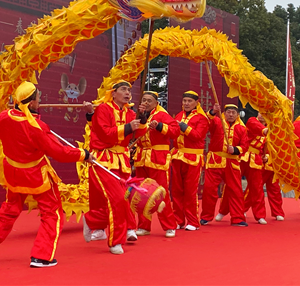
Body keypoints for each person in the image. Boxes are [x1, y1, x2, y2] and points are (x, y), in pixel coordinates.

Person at [0, 81, 93, 268]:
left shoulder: (3, 117)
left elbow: (20, 125)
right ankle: (42, 256)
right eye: (38, 98)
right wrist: (84, 154)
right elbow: (59, 153)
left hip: (14, 172)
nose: (40, 101)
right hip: (36, 175)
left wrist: (35, 117)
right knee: (52, 213)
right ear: (31, 103)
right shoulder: (37, 128)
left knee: (10, 207)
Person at [83, 81, 147, 255]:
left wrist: (143, 118)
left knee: (123, 199)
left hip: (122, 161)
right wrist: (128, 127)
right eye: (123, 90)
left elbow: (139, 133)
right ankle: (116, 241)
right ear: (114, 93)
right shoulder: (103, 109)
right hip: (102, 160)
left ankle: (91, 220)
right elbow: (104, 134)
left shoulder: (130, 112)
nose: (127, 93)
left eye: (129, 90)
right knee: (117, 199)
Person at [133, 91, 179, 238]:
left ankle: (169, 226)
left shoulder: (162, 115)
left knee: (161, 193)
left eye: (149, 101)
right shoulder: (138, 115)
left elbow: (175, 131)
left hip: (157, 158)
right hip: (141, 158)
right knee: (141, 193)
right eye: (144, 100)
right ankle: (143, 226)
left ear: (156, 102)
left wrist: (159, 126)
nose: (146, 103)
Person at [200, 103, 248, 227]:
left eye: (233, 112)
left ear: (237, 115)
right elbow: (206, 123)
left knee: (235, 190)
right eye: (228, 112)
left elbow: (245, 146)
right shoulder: (217, 122)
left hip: (231, 163)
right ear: (224, 113)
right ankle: (206, 217)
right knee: (209, 189)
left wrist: (236, 150)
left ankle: (237, 218)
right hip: (215, 160)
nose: (231, 114)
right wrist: (213, 111)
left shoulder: (242, 129)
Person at [171, 91, 210, 231]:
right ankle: (178, 220)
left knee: (190, 191)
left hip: (193, 158)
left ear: (196, 103)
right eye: (184, 101)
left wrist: (183, 127)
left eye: (189, 101)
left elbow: (198, 136)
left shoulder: (202, 118)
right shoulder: (179, 115)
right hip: (177, 156)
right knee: (176, 190)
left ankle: (193, 221)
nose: (186, 103)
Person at [239, 113, 285, 222]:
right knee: (255, 188)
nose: (262, 116)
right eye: (261, 113)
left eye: (266, 114)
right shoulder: (252, 122)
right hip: (256, 161)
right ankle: (243, 209)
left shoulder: (273, 128)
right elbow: (258, 132)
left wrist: (269, 156)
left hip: (272, 163)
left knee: (275, 189)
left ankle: (277, 212)